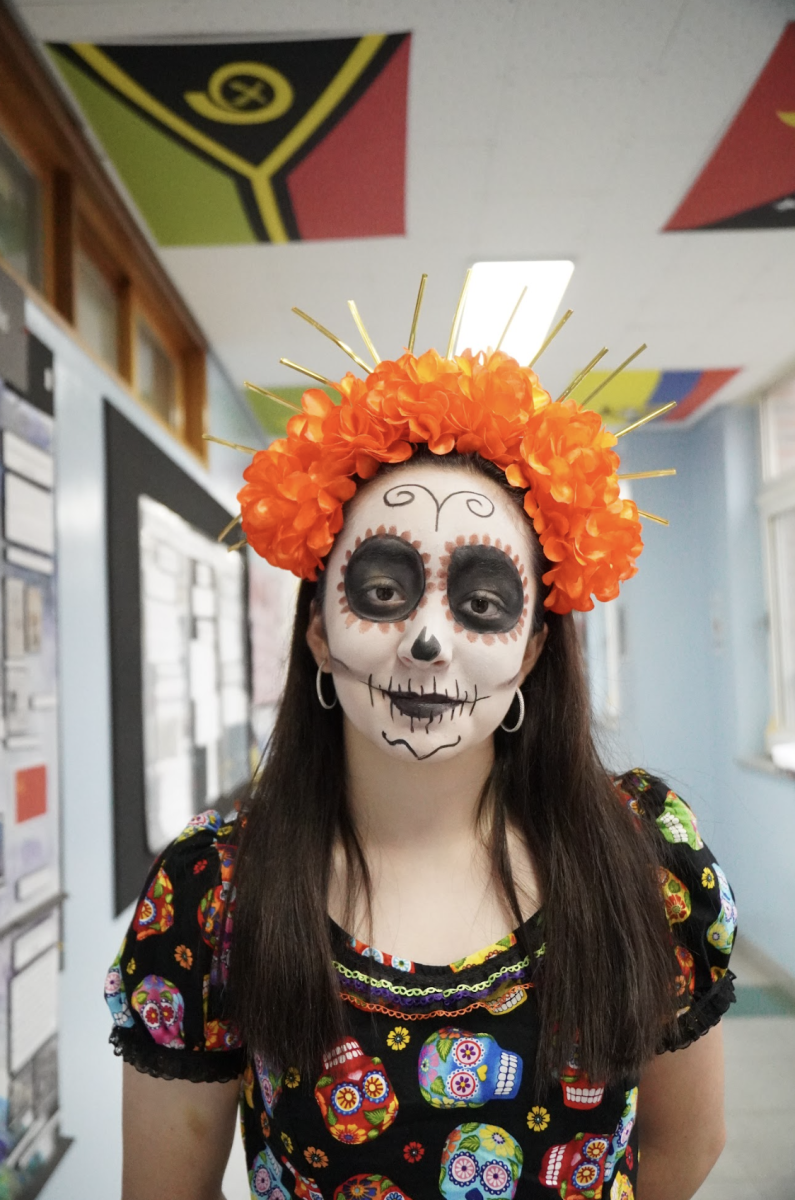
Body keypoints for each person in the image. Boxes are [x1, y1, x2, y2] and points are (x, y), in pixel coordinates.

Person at [106, 295, 736, 1200]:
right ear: (318, 633)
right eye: (383, 590)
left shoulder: (645, 855)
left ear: (529, 649)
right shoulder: (210, 890)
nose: (428, 642)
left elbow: (685, 1147)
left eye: (481, 602)